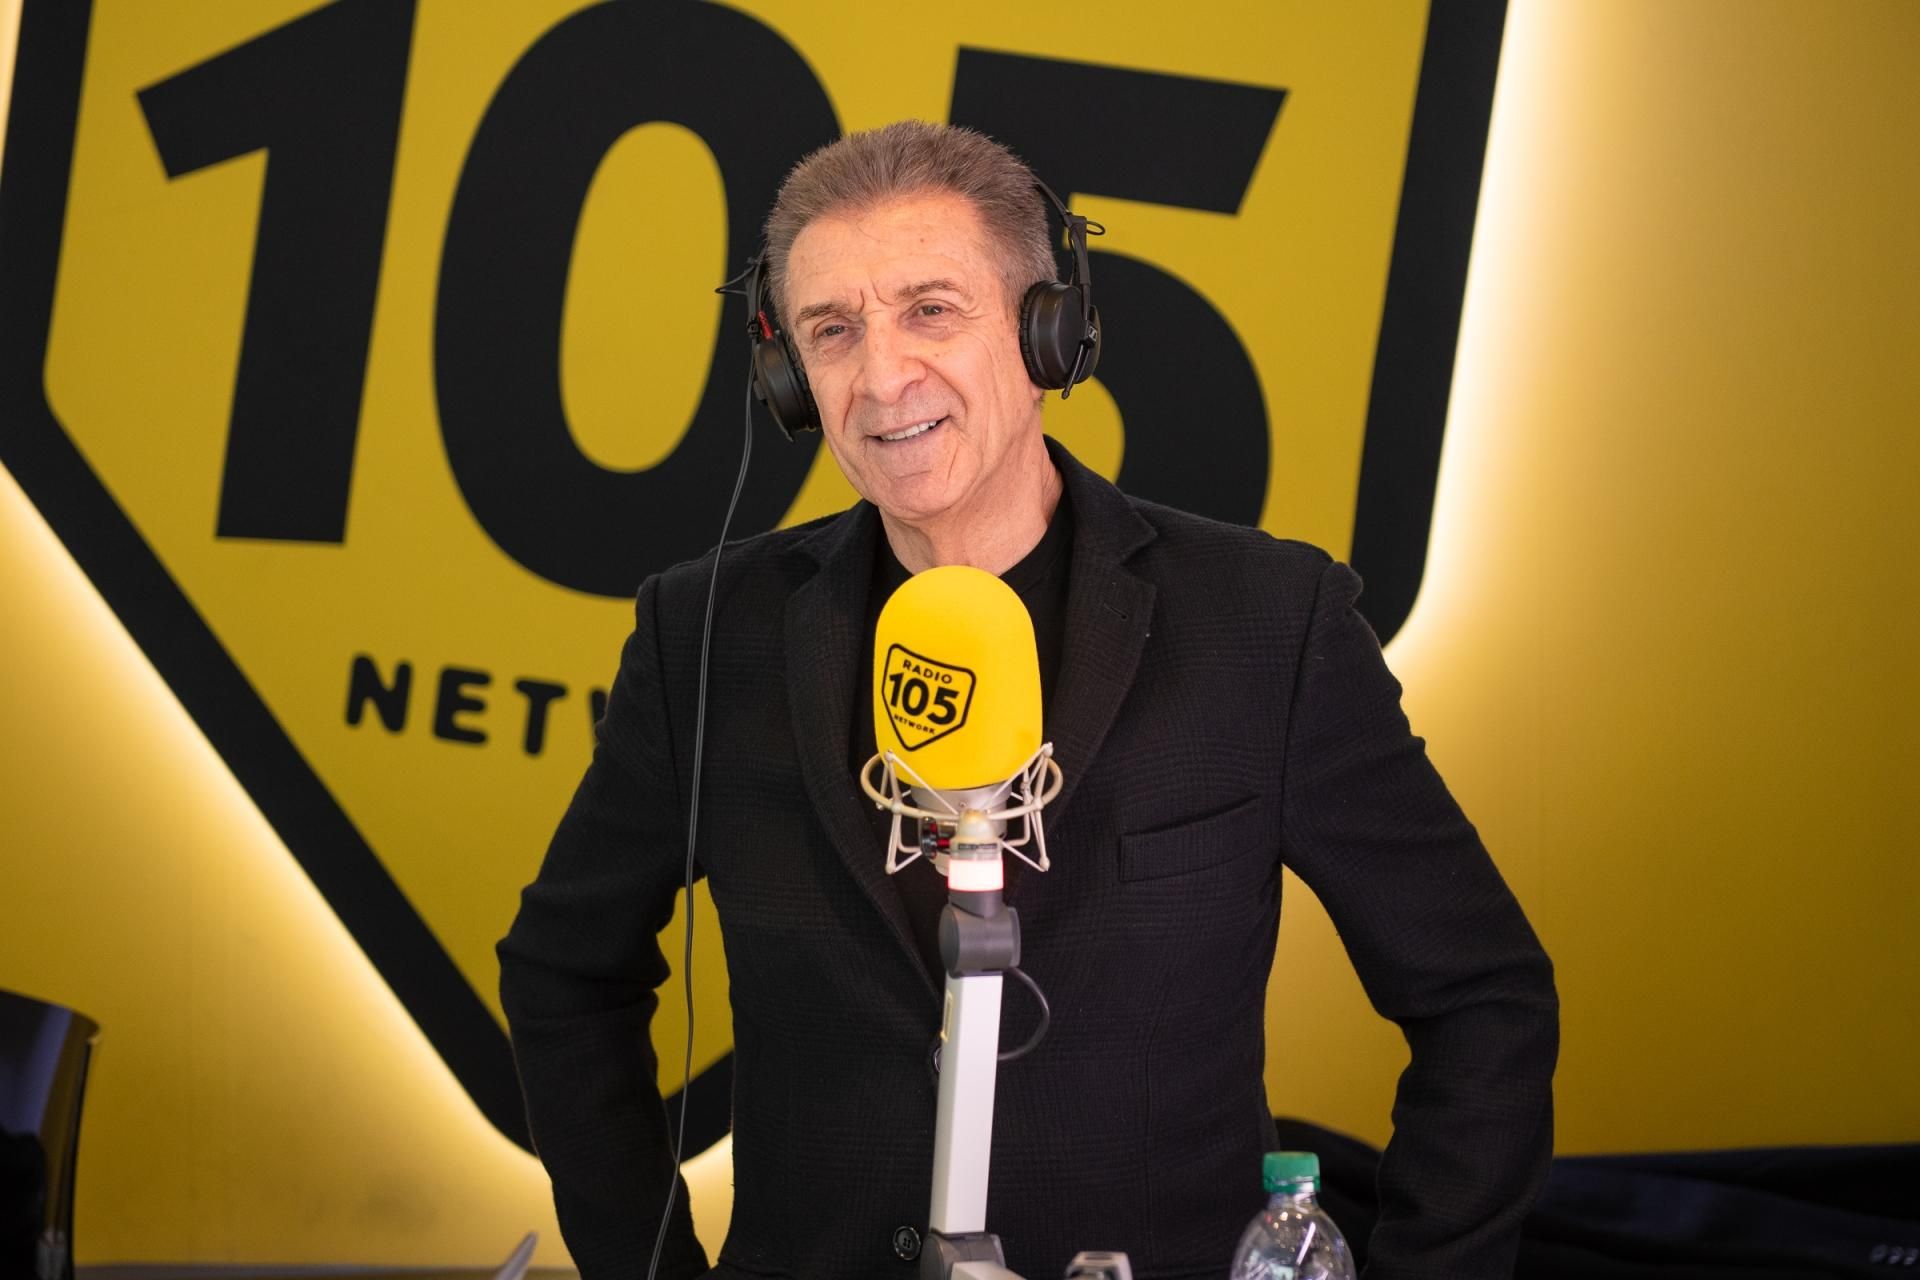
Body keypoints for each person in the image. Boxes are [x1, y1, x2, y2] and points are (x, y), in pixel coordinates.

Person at [498, 121, 1558, 1280]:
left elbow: (1482, 993)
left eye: (931, 310)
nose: (883, 377)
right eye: (833, 331)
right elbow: (566, 970)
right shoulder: (707, 633)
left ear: (1049, 329)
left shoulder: (1267, 622)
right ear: (789, 378)